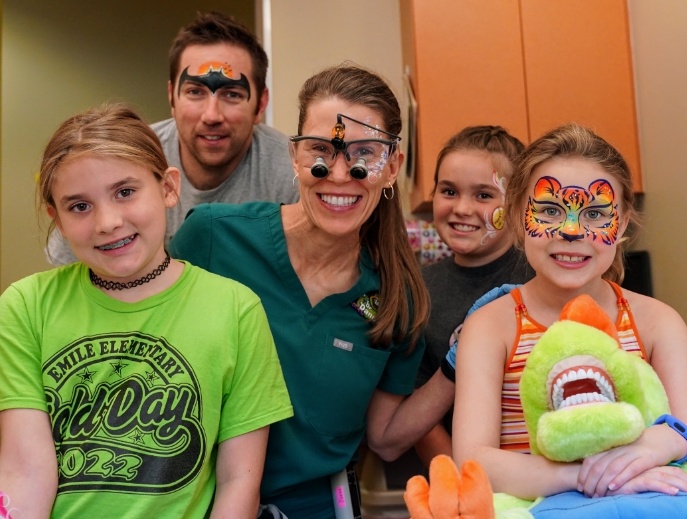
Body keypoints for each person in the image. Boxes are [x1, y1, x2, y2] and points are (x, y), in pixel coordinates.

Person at [169, 63, 456, 519]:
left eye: (365, 154)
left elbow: (384, 436)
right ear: (295, 156)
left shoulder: (395, 299)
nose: (339, 174)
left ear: (392, 167)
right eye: (322, 150)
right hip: (196, 502)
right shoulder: (211, 239)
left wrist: (459, 363)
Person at [0, 104, 293, 518]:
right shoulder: (24, 306)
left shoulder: (236, 310)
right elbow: (23, 473)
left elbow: (238, 483)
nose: (107, 222)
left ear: (168, 188)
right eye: (79, 206)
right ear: (57, 220)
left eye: (125, 191)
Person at [452, 123, 687, 501]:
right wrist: (600, 476)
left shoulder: (657, 321)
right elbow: (472, 461)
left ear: (623, 225)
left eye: (597, 215)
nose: (571, 231)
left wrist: (652, 448)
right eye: (550, 210)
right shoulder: (490, 326)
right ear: (518, 215)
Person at [46, 11, 298, 265]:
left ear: (261, 103)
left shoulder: (293, 172)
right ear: (171, 97)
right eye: (195, 92)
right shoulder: (131, 156)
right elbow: (70, 271)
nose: (212, 115)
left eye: (232, 94)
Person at [413, 125, 534, 467]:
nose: (462, 208)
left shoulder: (544, 276)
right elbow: (421, 418)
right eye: (448, 191)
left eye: (483, 195)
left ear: (516, 202)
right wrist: (469, 484)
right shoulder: (419, 291)